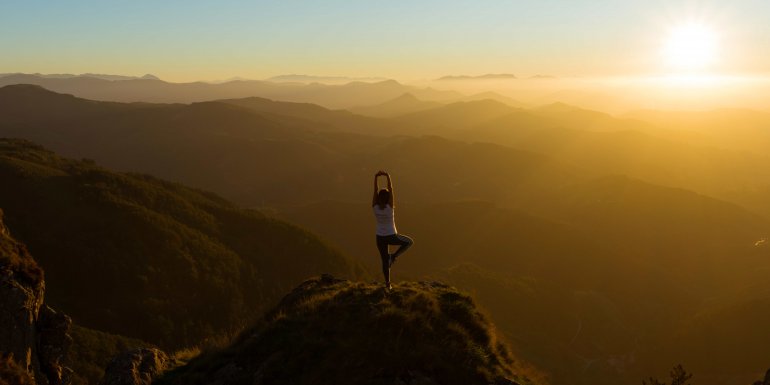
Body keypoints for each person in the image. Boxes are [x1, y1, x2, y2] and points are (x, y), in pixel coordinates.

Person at [372, 170, 413, 290]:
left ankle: (388, 284)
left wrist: (376, 178)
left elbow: (375, 191)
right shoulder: (390, 207)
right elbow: (391, 189)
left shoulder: (375, 207)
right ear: (388, 198)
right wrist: (388, 176)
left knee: (384, 261)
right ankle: (394, 256)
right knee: (409, 242)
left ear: (379, 197)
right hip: (391, 235)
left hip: (379, 238)